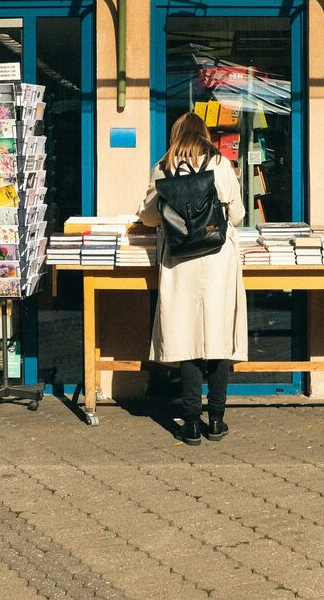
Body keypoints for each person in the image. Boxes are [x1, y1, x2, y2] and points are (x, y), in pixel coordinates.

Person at [137, 112, 248, 445]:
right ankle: (216, 419)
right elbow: (238, 214)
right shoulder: (220, 164)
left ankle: (190, 422)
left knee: (186, 338)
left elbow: (150, 217)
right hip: (218, 261)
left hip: (180, 261)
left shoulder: (164, 167)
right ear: (204, 134)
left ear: (176, 135)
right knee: (217, 336)